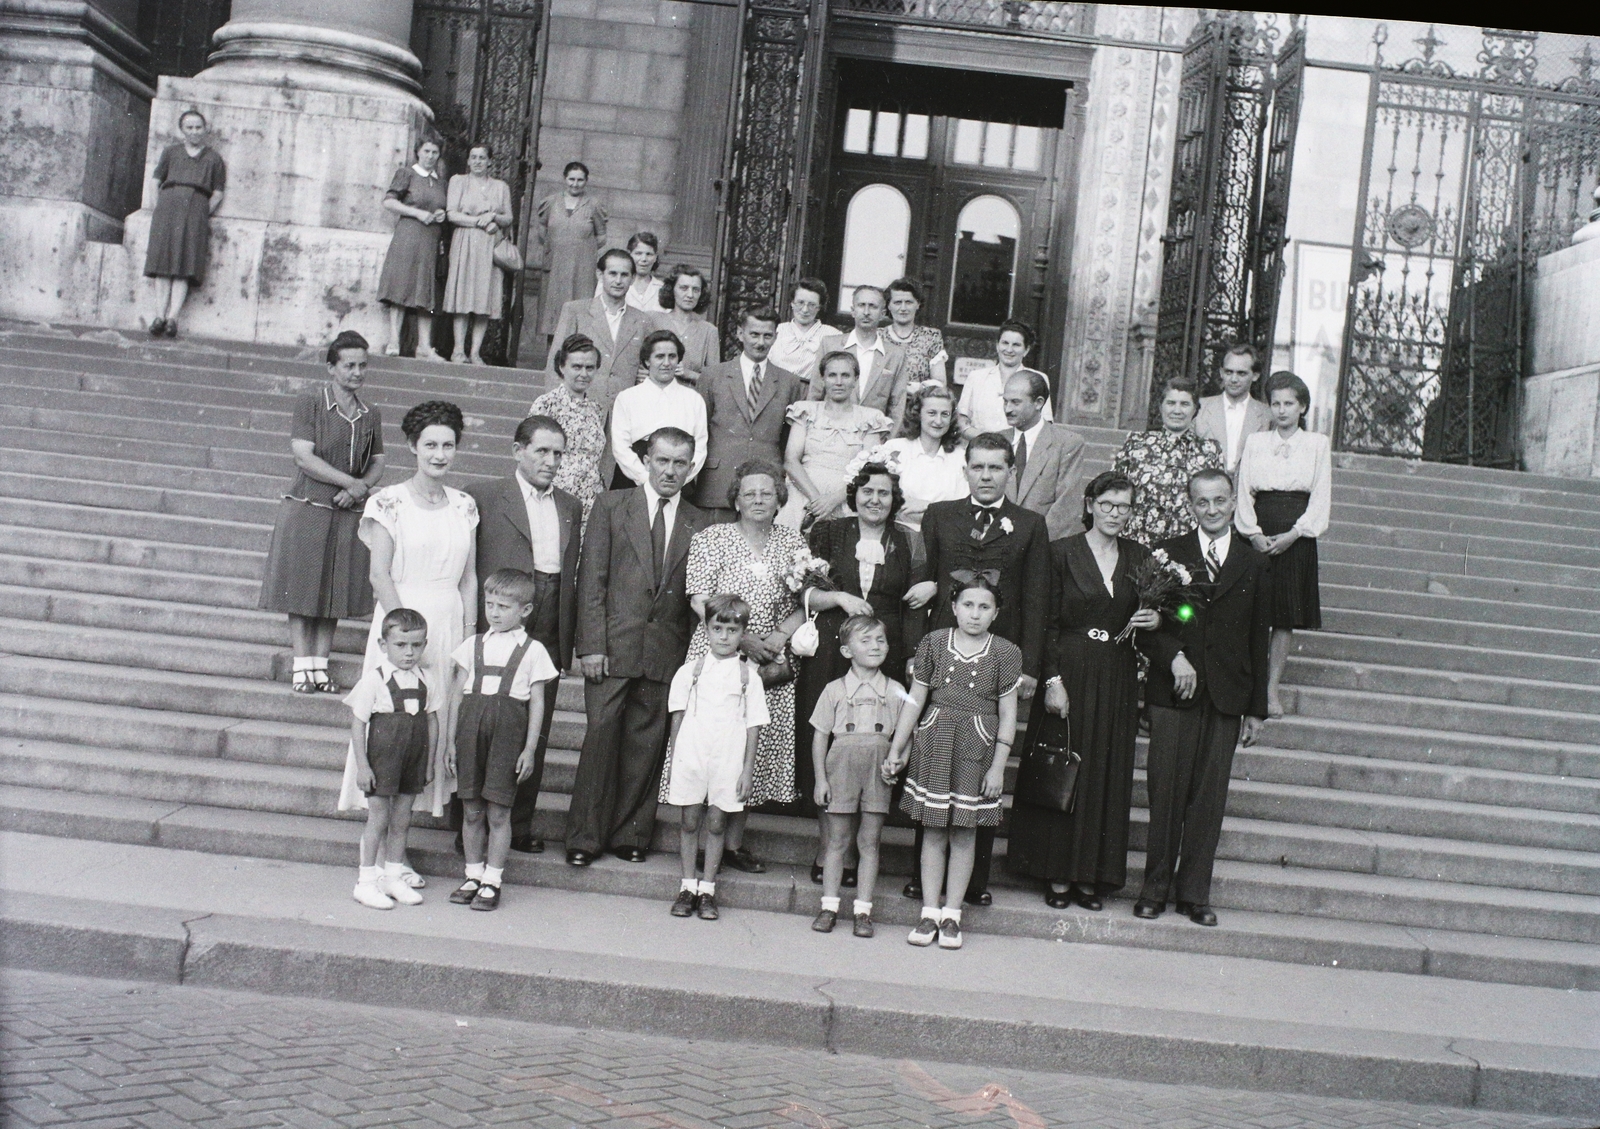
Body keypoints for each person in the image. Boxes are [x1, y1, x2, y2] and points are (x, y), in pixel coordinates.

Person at [902, 433, 1050, 906]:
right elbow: (922, 583)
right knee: (934, 762)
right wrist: (913, 651)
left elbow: (1036, 598)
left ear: (1011, 472)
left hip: (998, 662)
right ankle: (920, 877)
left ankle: (973, 883)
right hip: (945, 655)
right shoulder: (942, 515)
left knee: (982, 766)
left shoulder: (1029, 524)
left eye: (996, 468)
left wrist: (1029, 665)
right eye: (978, 467)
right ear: (965, 470)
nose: (986, 476)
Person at [1006, 471, 1157, 909]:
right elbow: (1045, 621)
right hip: (1068, 668)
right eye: (1107, 504)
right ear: (1089, 504)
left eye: (1124, 506)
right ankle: (1055, 872)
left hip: (1116, 673)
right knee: (1062, 766)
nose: (1114, 513)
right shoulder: (1061, 553)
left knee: (1105, 770)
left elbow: (1163, 614)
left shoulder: (1141, 557)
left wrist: (1159, 620)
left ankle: (1092, 876)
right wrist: (1051, 680)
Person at [565, 428, 710, 866]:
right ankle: (584, 838)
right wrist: (590, 645)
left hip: (665, 652)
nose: (670, 471)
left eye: (679, 463)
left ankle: (630, 834)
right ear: (647, 460)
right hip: (611, 647)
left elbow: (693, 595)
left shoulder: (699, 521)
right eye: (662, 460)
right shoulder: (612, 505)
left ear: (691, 466)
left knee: (646, 746)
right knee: (600, 741)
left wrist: (690, 662)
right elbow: (591, 580)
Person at [1135, 468, 1270, 927]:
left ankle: (1194, 893)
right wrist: (1173, 656)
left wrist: (1257, 708)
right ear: (1189, 505)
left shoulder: (1253, 562)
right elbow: (1146, 628)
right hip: (1175, 692)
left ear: (1233, 503)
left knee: (1209, 798)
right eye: (1201, 502)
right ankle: (1153, 889)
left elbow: (1258, 637)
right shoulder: (1169, 554)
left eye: (1219, 501)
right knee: (1165, 790)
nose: (1211, 510)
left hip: (1228, 694)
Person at [344, 400, 479, 819]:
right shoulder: (389, 502)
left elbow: (469, 578)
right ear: (412, 446)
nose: (440, 454)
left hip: (449, 620)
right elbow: (379, 575)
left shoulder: (464, 504)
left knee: (436, 716)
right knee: (394, 719)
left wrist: (471, 636)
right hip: (402, 619)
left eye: (448, 445)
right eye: (431, 445)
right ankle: (382, 830)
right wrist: (403, 634)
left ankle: (413, 821)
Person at [679, 462, 810, 872]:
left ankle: (732, 845)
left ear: (779, 500)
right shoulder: (711, 538)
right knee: (711, 743)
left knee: (748, 747)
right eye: (749, 493)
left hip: (768, 660)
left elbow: (805, 601)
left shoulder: (794, 543)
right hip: (718, 652)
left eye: (767, 493)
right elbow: (698, 597)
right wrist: (742, 637)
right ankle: (698, 838)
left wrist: (777, 638)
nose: (758, 499)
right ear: (735, 498)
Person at [798, 462, 924, 885]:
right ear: (854, 495)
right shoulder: (829, 533)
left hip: (884, 652)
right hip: (835, 648)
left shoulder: (907, 542)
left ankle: (859, 847)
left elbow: (911, 607)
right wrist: (840, 597)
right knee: (833, 742)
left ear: (895, 500)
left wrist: (907, 659)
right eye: (867, 491)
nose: (875, 499)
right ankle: (828, 847)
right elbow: (805, 592)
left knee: (872, 746)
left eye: (884, 493)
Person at [464, 416, 582, 855]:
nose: (551, 462)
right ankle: (472, 825)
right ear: (518, 450)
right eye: (541, 452)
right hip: (501, 611)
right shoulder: (485, 495)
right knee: (486, 721)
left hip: (549, 615)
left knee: (537, 721)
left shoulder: (570, 504)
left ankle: (519, 822)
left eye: (557, 453)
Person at [884, 575, 1020, 950]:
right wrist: (898, 747)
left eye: (984, 607)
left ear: (996, 613)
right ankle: (929, 912)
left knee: (964, 831)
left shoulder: (1006, 652)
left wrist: (997, 766)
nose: (975, 615)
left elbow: (1008, 714)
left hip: (977, 745)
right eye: (968, 605)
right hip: (936, 737)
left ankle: (952, 915)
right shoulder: (933, 642)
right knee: (933, 828)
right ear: (955, 606)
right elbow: (916, 698)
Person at [259, 331, 385, 694]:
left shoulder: (369, 413)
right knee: (303, 586)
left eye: (362, 365)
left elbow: (377, 461)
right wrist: (351, 483)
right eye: (349, 365)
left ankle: (320, 666)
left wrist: (360, 487)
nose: (356, 372)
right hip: (309, 506)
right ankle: (302, 666)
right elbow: (303, 456)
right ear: (331, 368)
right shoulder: (311, 402)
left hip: (347, 510)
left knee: (334, 588)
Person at [445, 569, 559, 912]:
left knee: (498, 810)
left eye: (503, 606)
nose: (493, 612)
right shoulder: (472, 645)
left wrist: (530, 748)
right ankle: (472, 874)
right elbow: (456, 696)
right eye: (489, 604)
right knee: (471, 808)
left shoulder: (534, 650)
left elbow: (538, 702)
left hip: (508, 734)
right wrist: (449, 742)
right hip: (470, 730)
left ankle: (493, 880)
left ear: (524, 610)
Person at [664, 594, 768, 922]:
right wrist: (673, 761)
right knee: (689, 820)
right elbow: (677, 719)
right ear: (706, 629)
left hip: (728, 758)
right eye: (717, 628)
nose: (724, 636)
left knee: (718, 821)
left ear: (743, 634)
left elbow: (753, 727)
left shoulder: (748, 677)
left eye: (732, 630)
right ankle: (687, 886)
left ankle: (708, 889)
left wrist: (747, 771)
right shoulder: (689, 672)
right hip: (692, 755)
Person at [1235, 370, 1331, 718]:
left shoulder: (1317, 444)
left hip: (1295, 535)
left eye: (1289, 403)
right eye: (1275, 403)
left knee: (1284, 617)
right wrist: (1253, 532)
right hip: (1259, 529)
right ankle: (1244, 685)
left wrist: (1294, 534)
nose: (1282, 410)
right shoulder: (1257, 442)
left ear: (1302, 407)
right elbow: (1244, 489)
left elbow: (1320, 495)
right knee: (1248, 612)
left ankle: (1269, 691)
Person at [809, 614, 905, 940]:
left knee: (869, 841)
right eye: (865, 641)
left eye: (880, 640)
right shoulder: (833, 690)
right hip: (842, 766)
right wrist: (821, 779)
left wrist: (898, 761)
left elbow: (908, 736)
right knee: (836, 840)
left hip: (877, 770)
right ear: (847, 651)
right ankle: (829, 906)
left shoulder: (895, 690)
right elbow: (820, 736)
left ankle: (863, 910)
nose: (875, 646)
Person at [346, 608, 435, 910]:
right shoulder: (375, 680)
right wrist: (363, 766)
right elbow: (358, 724)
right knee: (379, 819)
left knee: (402, 819)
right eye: (401, 645)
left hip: (413, 758)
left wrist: (430, 761)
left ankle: (393, 876)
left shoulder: (426, 679)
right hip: (383, 758)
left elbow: (432, 722)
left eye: (417, 645)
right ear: (384, 645)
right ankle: (366, 882)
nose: (410, 652)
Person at [694, 308, 806, 522]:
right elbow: (700, 430)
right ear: (739, 333)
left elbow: (787, 438)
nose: (760, 342)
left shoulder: (789, 382)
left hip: (766, 483)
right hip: (719, 480)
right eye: (754, 334)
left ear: (776, 337)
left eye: (767, 335)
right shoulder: (712, 376)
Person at [777, 350, 891, 528]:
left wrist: (833, 500)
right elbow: (791, 460)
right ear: (823, 379)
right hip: (803, 495)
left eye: (845, 375)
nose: (839, 382)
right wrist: (817, 500)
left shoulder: (870, 418)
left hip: (846, 498)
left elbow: (869, 469)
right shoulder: (805, 411)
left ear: (855, 380)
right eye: (832, 375)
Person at [1113, 376, 1224, 546]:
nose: (1177, 410)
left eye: (1185, 404)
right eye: (1171, 403)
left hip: (1187, 544)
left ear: (1195, 409)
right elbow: (1116, 491)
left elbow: (1216, 500)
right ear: (1161, 406)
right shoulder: (1136, 443)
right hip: (1138, 542)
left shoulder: (1210, 450)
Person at [144, 108, 226, 339]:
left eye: (198, 127)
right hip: (168, 208)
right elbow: (155, 181)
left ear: (205, 129)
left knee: (184, 265)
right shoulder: (171, 152)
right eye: (189, 127)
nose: (194, 132)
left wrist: (201, 214)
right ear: (182, 130)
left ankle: (173, 318)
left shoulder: (214, 159)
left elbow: (218, 193)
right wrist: (157, 207)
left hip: (196, 210)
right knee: (163, 263)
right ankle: (159, 315)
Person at [548, 248, 651, 421]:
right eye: (612, 274)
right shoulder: (576, 311)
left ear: (632, 278)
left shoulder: (642, 321)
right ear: (600, 274)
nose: (618, 281)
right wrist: (557, 409)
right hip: (579, 410)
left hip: (623, 415)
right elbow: (555, 364)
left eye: (624, 275)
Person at [872, 382, 969, 562]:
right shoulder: (894, 449)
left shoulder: (960, 457)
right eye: (931, 413)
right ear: (918, 414)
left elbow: (964, 509)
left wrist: (926, 506)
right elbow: (880, 499)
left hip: (943, 545)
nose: (938, 421)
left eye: (945, 414)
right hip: (891, 542)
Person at [377, 134, 448, 358]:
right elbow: (389, 201)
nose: (430, 156)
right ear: (418, 152)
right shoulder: (407, 173)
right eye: (426, 151)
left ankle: (424, 346)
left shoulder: (441, 181)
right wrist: (417, 213)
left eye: (435, 152)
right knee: (401, 286)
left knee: (426, 291)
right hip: (408, 236)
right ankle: (393, 342)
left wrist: (440, 214)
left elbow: (442, 207)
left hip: (430, 240)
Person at [443, 143, 514, 365]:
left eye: (482, 158)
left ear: (490, 161)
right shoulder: (458, 181)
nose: (477, 162)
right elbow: (452, 214)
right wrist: (480, 222)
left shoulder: (500, 187)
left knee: (484, 297)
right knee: (462, 294)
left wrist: (493, 216)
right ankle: (457, 350)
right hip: (465, 240)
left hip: (489, 245)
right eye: (473, 157)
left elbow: (508, 218)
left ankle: (475, 352)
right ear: (468, 160)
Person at [610, 330, 709, 488]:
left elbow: (700, 448)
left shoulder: (694, 399)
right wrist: (645, 479)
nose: (666, 363)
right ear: (647, 361)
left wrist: (680, 479)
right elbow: (620, 447)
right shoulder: (627, 397)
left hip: (678, 481)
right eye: (659, 356)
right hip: (634, 478)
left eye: (672, 356)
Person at [529, 335, 608, 528]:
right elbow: (532, 453)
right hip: (555, 496)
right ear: (562, 367)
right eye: (577, 367)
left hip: (590, 500)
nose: (584, 373)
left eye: (590, 368)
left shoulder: (595, 409)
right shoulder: (547, 404)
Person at [1001, 370, 1086, 539]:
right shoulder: (997, 440)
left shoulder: (1067, 443)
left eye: (1015, 402)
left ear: (1038, 403)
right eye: (1005, 401)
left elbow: (1066, 506)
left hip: (1043, 546)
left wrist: (1032, 546)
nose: (1007, 409)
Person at [813, 285, 910, 427]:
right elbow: (815, 394)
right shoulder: (829, 345)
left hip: (874, 437)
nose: (866, 312)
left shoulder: (895, 355)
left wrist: (886, 445)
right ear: (852, 311)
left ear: (883, 313)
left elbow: (897, 407)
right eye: (861, 305)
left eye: (873, 306)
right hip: (830, 433)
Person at [536, 160, 608, 341]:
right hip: (556, 267)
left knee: (579, 308)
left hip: (581, 268)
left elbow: (601, 237)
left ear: (586, 181)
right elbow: (542, 230)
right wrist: (557, 246)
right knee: (553, 310)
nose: (575, 184)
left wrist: (581, 249)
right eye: (571, 179)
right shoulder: (551, 202)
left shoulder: (593, 205)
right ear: (564, 179)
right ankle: (552, 354)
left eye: (580, 180)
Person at [957, 321, 1052, 439]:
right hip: (979, 448)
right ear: (997, 345)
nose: (1009, 349)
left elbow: (1046, 424)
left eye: (1016, 345)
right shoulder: (976, 377)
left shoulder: (1038, 378)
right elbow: (961, 421)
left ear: (1026, 350)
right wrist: (985, 440)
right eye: (1005, 343)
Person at [1194, 343, 1272, 473]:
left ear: (1255, 376)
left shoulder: (1267, 415)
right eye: (1229, 372)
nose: (1234, 379)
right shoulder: (1200, 408)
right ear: (1221, 372)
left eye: (1241, 373)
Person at [651, 263, 720, 383]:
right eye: (684, 288)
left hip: (690, 397)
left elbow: (714, 381)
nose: (690, 295)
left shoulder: (709, 331)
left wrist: (690, 374)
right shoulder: (653, 320)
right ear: (671, 289)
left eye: (696, 290)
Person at [883, 278, 948, 386]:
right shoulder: (878, 336)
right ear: (889, 305)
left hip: (917, 400)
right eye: (897, 302)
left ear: (918, 304)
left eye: (908, 302)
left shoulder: (931, 337)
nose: (903, 308)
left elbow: (940, 383)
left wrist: (917, 388)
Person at [770, 278, 832, 385]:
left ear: (819, 307)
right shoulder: (777, 330)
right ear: (792, 303)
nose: (805, 310)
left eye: (812, 305)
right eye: (800, 302)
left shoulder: (831, 335)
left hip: (811, 396)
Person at [597, 231, 662, 311]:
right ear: (629, 255)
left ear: (655, 257)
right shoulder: (611, 283)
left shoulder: (661, 287)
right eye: (638, 253)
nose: (644, 259)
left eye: (649, 254)